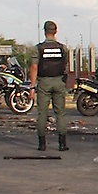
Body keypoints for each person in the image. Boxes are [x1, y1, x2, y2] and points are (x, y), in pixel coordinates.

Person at [29, 20, 70, 152]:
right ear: (56, 31)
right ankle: (62, 144)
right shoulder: (63, 48)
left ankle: (42, 144)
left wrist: (32, 86)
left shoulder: (38, 48)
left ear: (45, 31)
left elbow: (34, 67)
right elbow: (65, 65)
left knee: (42, 113)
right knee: (60, 113)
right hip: (59, 81)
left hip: (44, 82)